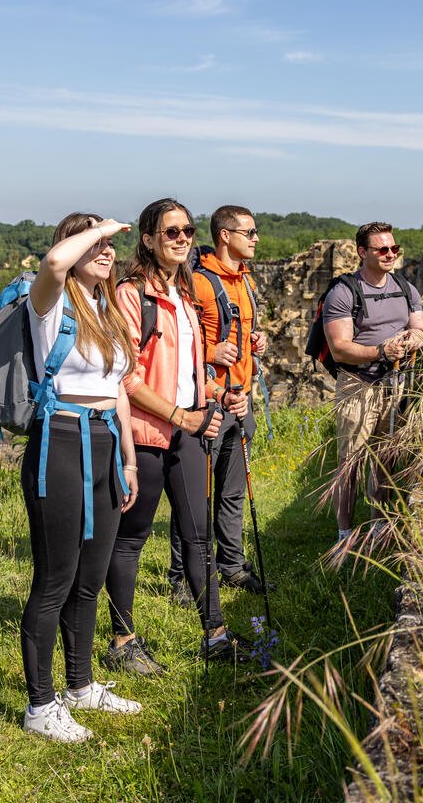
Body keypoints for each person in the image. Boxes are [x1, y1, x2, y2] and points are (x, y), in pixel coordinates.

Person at [107, 198, 251, 668]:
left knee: (197, 535)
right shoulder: (132, 295)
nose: (183, 238)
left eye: (187, 230)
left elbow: (186, 370)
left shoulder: (186, 294)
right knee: (131, 538)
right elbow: (127, 379)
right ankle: (123, 643)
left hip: (189, 428)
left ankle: (216, 635)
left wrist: (216, 392)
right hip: (147, 433)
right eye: (171, 232)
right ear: (148, 239)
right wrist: (180, 415)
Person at [20, 213, 143, 743]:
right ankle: (40, 706)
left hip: (106, 444)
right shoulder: (49, 302)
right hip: (60, 441)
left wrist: (130, 460)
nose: (107, 247)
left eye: (111, 241)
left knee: (90, 578)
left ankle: (80, 685)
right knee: (55, 580)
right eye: (92, 237)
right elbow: (52, 262)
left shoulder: (105, 308)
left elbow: (117, 390)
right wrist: (100, 228)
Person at [323, 222, 423, 544]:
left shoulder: (404, 287)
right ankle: (344, 532)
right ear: (362, 252)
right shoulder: (343, 291)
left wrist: (415, 338)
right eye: (382, 249)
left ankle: (379, 526)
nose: (390, 255)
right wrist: (380, 350)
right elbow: (339, 346)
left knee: (386, 457)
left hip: (395, 384)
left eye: (394, 249)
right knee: (350, 463)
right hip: (359, 384)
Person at [191, 205, 271, 594]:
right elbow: (180, 345)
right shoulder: (200, 282)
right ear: (225, 235)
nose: (256, 238)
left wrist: (256, 340)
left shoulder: (246, 281)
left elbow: (242, 331)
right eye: (249, 232)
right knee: (197, 495)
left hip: (241, 400)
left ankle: (233, 566)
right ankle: (184, 576)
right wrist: (210, 353)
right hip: (207, 402)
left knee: (233, 491)